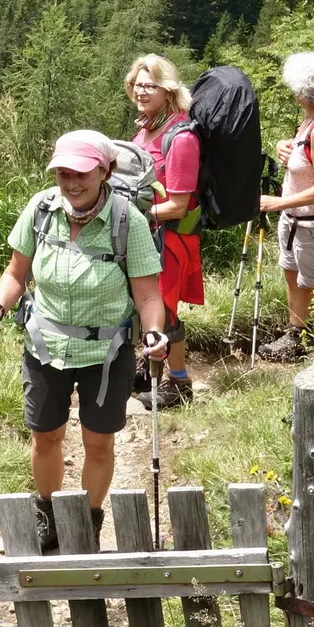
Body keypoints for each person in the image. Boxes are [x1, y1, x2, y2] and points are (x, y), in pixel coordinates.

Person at [0, 130, 170, 552]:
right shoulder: (41, 209)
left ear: (104, 170)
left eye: (80, 172)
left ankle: (88, 522)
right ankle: (47, 516)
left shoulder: (126, 220)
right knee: (45, 436)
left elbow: (149, 294)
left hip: (107, 352)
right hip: (45, 346)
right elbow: (15, 273)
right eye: (63, 173)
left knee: (98, 444)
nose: (71, 182)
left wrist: (155, 331)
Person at [126, 54, 202, 406]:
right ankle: (149, 368)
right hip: (147, 233)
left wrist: (132, 212)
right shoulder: (146, 127)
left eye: (150, 85)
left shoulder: (181, 137)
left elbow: (179, 204)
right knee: (144, 304)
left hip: (170, 237)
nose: (141, 91)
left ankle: (178, 381)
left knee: (165, 308)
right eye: (138, 84)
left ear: (168, 90)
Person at [258, 50, 314, 358]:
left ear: (302, 91)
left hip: (313, 224)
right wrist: (287, 148)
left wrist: (277, 202)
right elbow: (305, 162)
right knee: (293, 275)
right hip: (295, 220)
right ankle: (296, 335)